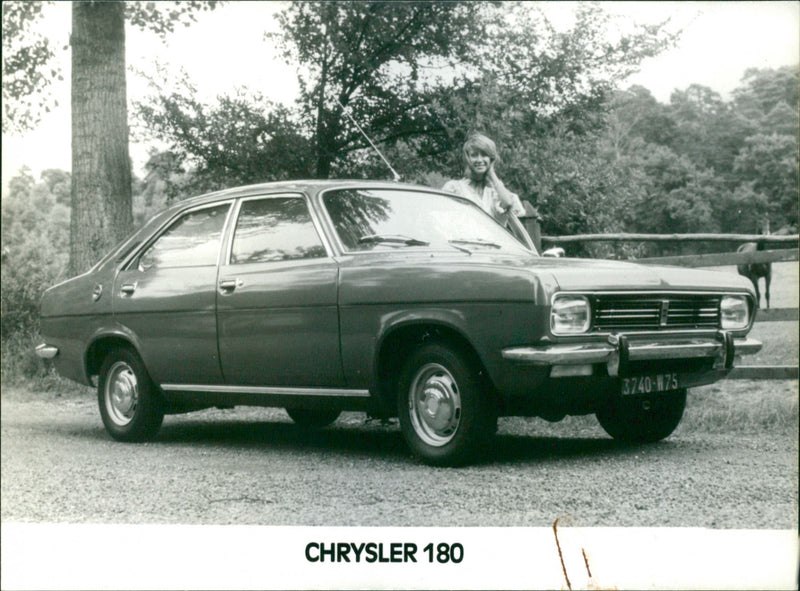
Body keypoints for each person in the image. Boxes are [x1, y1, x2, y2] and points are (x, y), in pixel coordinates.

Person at [442, 133, 526, 224]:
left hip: (493, 238)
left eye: (484, 155)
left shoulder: (496, 192)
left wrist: (492, 173)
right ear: (467, 159)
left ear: (491, 159)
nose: (479, 160)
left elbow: (508, 204)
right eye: (474, 155)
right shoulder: (455, 188)